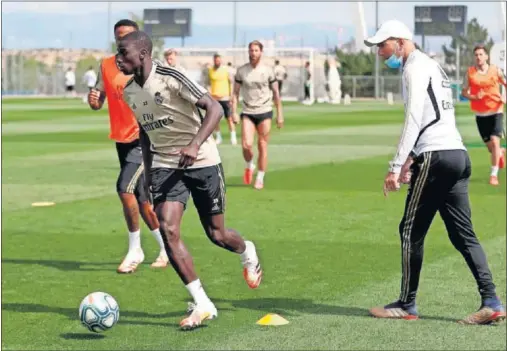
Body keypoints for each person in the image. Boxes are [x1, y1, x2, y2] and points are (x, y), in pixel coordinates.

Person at [116, 30, 263, 330]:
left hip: (202, 159)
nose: (119, 59)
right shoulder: (130, 91)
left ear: (143, 54)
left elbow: (215, 108)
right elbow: (145, 132)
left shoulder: (171, 76)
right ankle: (202, 302)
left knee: (217, 234)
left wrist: (194, 144)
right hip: (165, 166)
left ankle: (247, 251)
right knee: (168, 229)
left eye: (124, 53)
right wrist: (148, 170)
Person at [364, 19, 505, 325]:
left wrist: (397, 164)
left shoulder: (413, 67)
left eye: (382, 46)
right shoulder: (431, 65)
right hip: (457, 154)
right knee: (462, 234)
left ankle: (406, 303)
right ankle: (492, 301)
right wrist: (411, 158)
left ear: (400, 41)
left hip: (437, 157)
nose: (379, 53)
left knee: (409, 231)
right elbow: (437, 116)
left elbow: (415, 118)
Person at [87, 19, 168, 273]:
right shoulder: (107, 65)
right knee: (143, 200)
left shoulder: (148, 65)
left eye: (128, 36)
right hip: (121, 139)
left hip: (144, 139)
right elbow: (99, 98)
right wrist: (94, 100)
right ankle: (166, 247)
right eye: (119, 37)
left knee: (124, 188)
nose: (124, 41)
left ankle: (135, 250)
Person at [231, 40, 284, 190]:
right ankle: (249, 164)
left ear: (261, 52)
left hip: (265, 111)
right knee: (246, 145)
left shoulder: (268, 71)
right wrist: (233, 112)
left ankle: (260, 177)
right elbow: (234, 93)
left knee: (262, 145)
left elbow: (276, 94)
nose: (253, 53)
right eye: (251, 50)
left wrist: (280, 114)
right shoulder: (242, 71)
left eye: (256, 50)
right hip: (248, 111)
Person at [461, 45, 507, 186]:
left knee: (495, 141)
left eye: (481, 54)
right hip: (481, 115)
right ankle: (500, 152)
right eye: (476, 55)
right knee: (490, 147)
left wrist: (504, 96)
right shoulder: (470, 73)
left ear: (486, 56)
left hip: (496, 110)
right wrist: (474, 96)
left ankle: (493, 175)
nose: (478, 57)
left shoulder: (495, 70)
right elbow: (464, 92)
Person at [207, 53, 237, 145]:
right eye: (215, 60)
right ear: (214, 60)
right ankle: (218, 138)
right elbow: (209, 83)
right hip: (214, 99)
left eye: (218, 60)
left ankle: (233, 137)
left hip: (225, 98)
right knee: (215, 120)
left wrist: (231, 95)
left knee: (229, 118)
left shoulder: (226, 70)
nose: (217, 61)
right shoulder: (210, 70)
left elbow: (231, 83)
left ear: (221, 60)